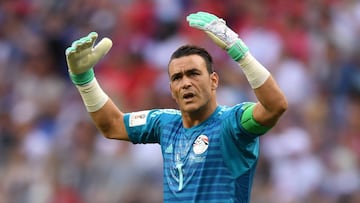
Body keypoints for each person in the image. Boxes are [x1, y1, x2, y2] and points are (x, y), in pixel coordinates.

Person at [65, 11, 288, 203]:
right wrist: (84, 81)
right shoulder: (164, 123)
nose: (186, 83)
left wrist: (241, 54)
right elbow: (112, 125)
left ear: (213, 81)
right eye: (177, 78)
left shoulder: (232, 123)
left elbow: (274, 106)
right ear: (171, 89)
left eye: (194, 74)